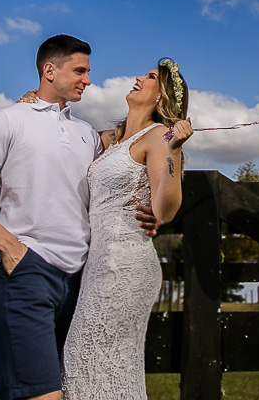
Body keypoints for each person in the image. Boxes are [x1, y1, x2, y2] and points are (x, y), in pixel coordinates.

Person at [0, 34, 158, 400]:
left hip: (80, 283)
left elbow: (136, 143)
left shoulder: (86, 134)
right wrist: (11, 249)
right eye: (80, 71)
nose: (88, 80)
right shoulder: (9, 120)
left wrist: (153, 205)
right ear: (49, 70)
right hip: (27, 274)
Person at [55, 57, 193, 400]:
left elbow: (164, 211)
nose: (139, 77)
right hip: (97, 265)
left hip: (124, 266)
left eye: (150, 77)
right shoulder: (110, 139)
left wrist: (174, 151)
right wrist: (34, 101)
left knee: (82, 363)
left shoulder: (158, 136)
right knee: (98, 369)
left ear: (162, 96)